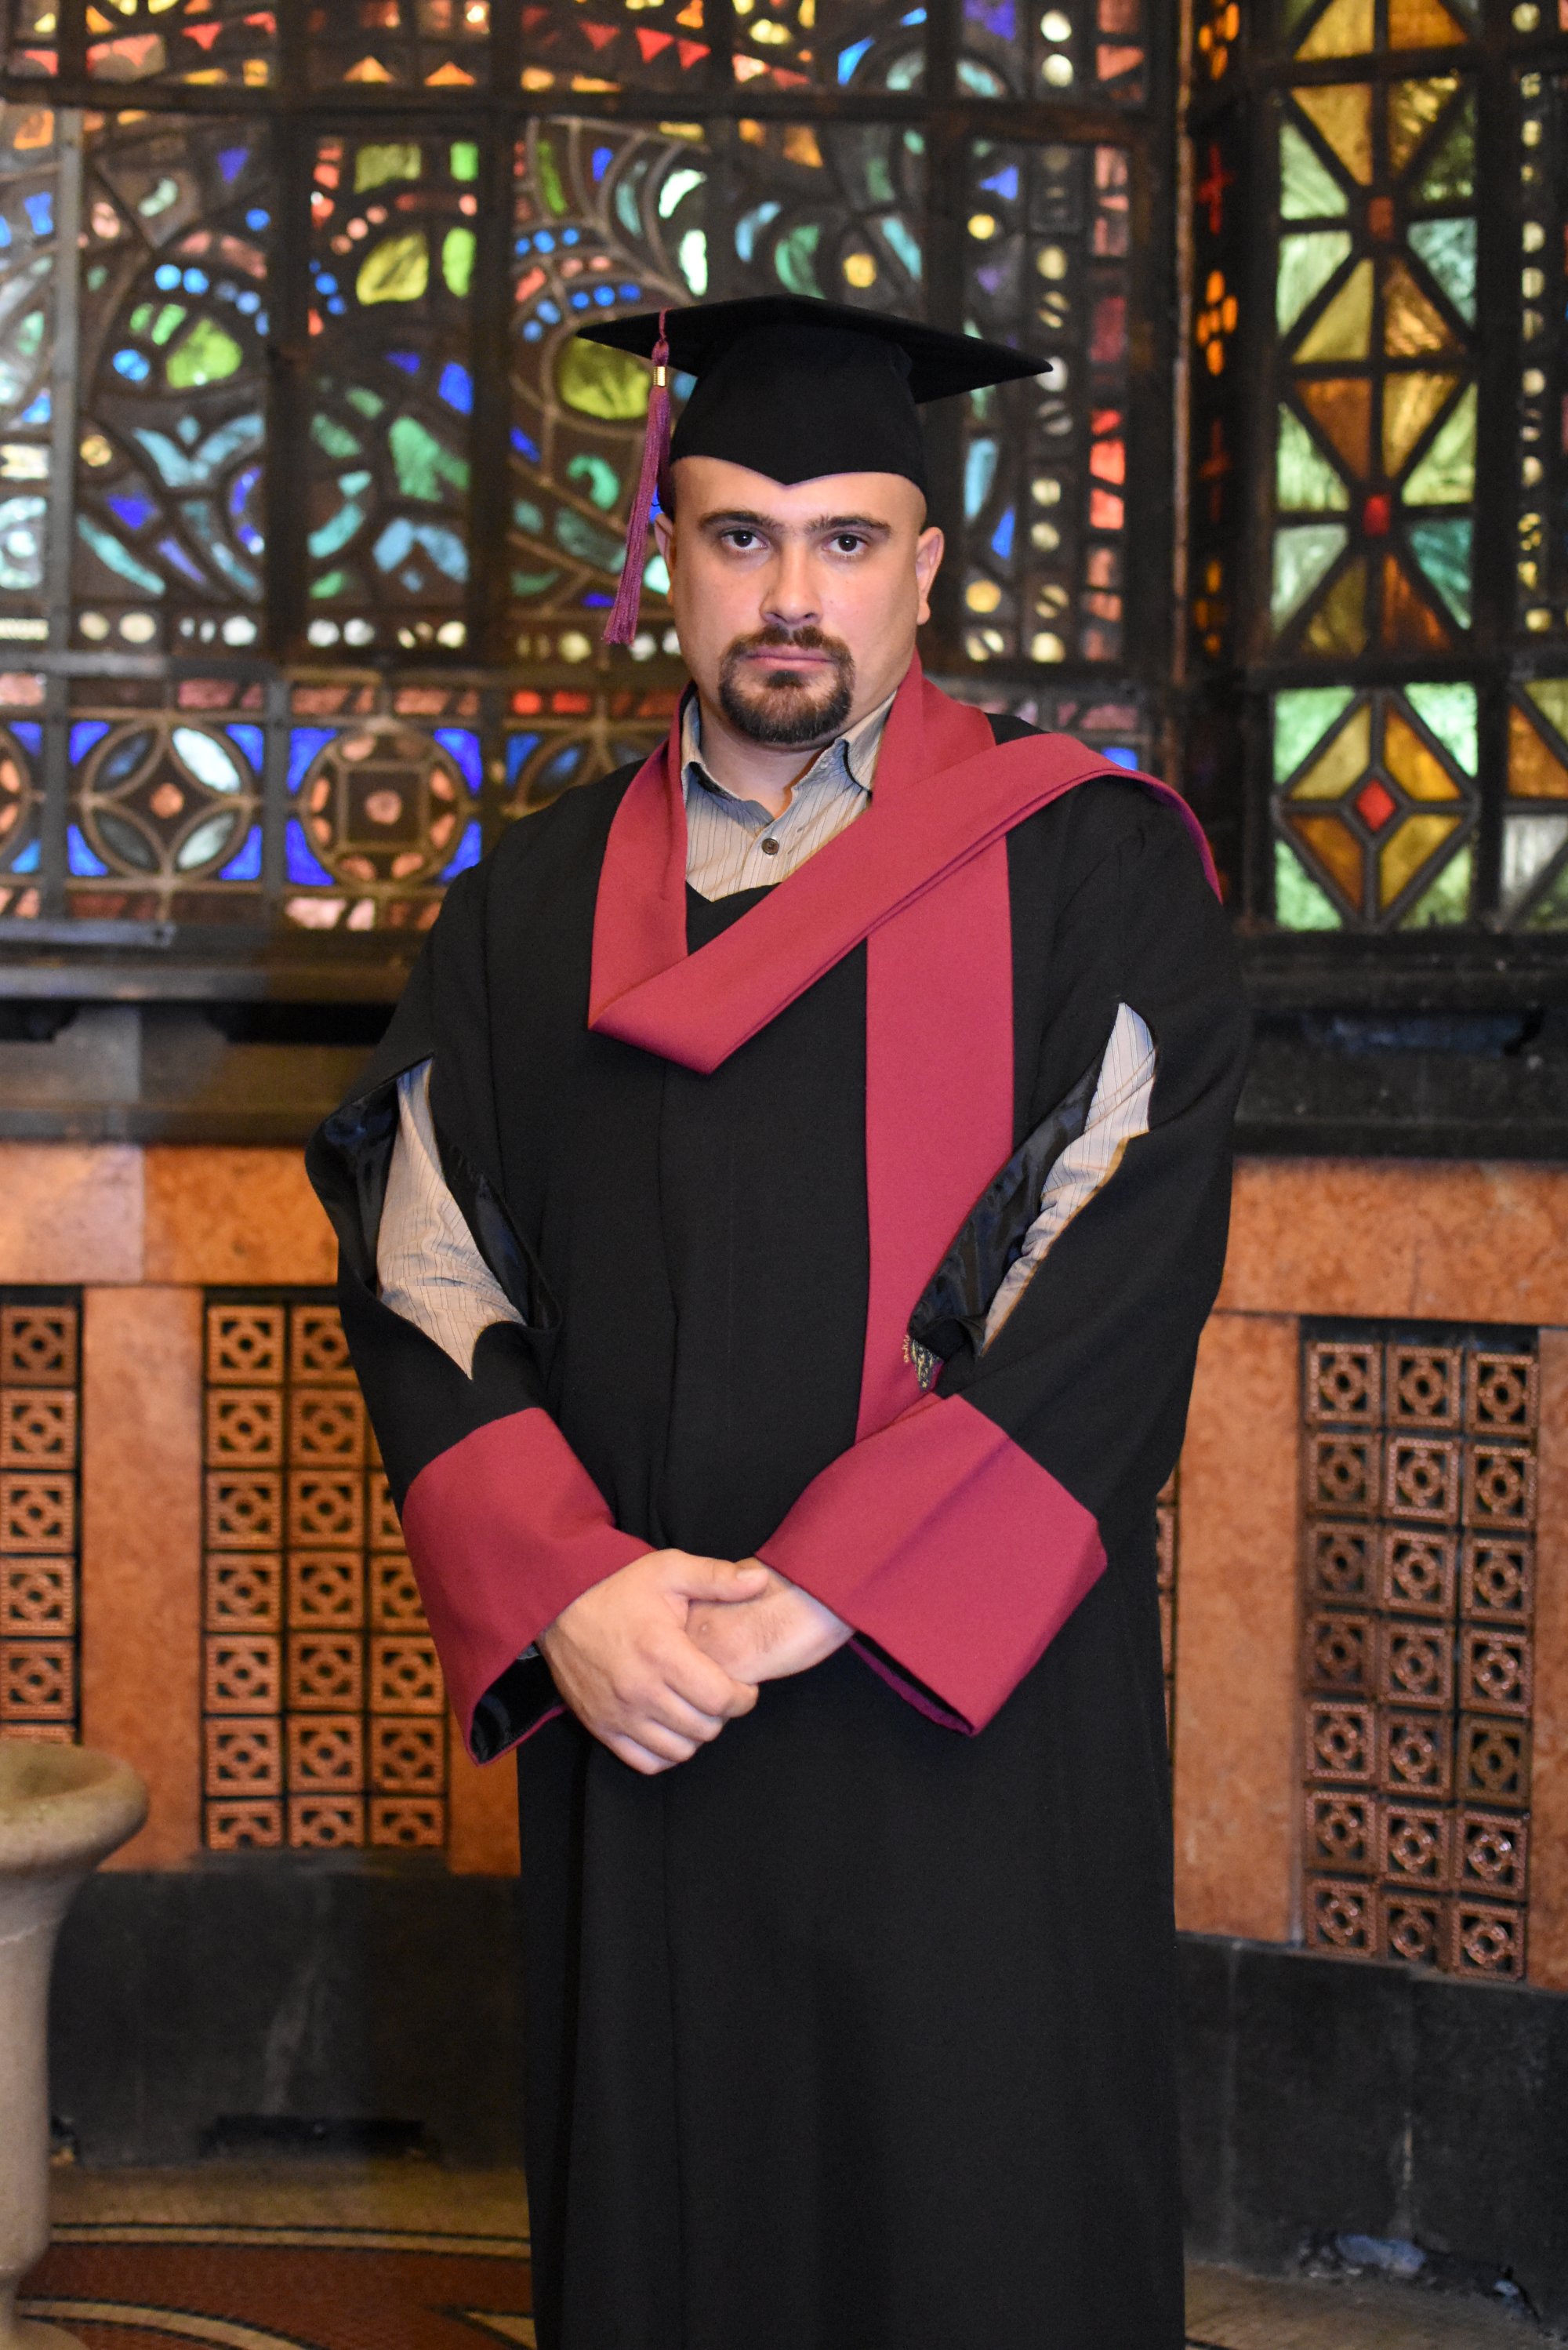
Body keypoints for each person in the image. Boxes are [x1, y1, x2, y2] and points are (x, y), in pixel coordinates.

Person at [308, 292, 1249, 2350]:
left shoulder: (1089, 871)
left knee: (980, 2229)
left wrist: (830, 1592)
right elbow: (420, 1248)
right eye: (740, 534)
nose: (791, 593)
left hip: (963, 1708)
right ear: (671, 554)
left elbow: (1112, 1270)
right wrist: (570, 1589)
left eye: (845, 539)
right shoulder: (530, 905)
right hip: (646, 1700)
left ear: (926, 563)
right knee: (682, 2233)